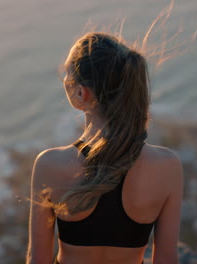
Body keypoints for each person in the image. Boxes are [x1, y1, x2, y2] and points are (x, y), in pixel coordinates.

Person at [26, 32, 184, 264]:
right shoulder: (167, 165)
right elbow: (166, 259)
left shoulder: (50, 164)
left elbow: (38, 259)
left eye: (67, 76)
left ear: (81, 93)